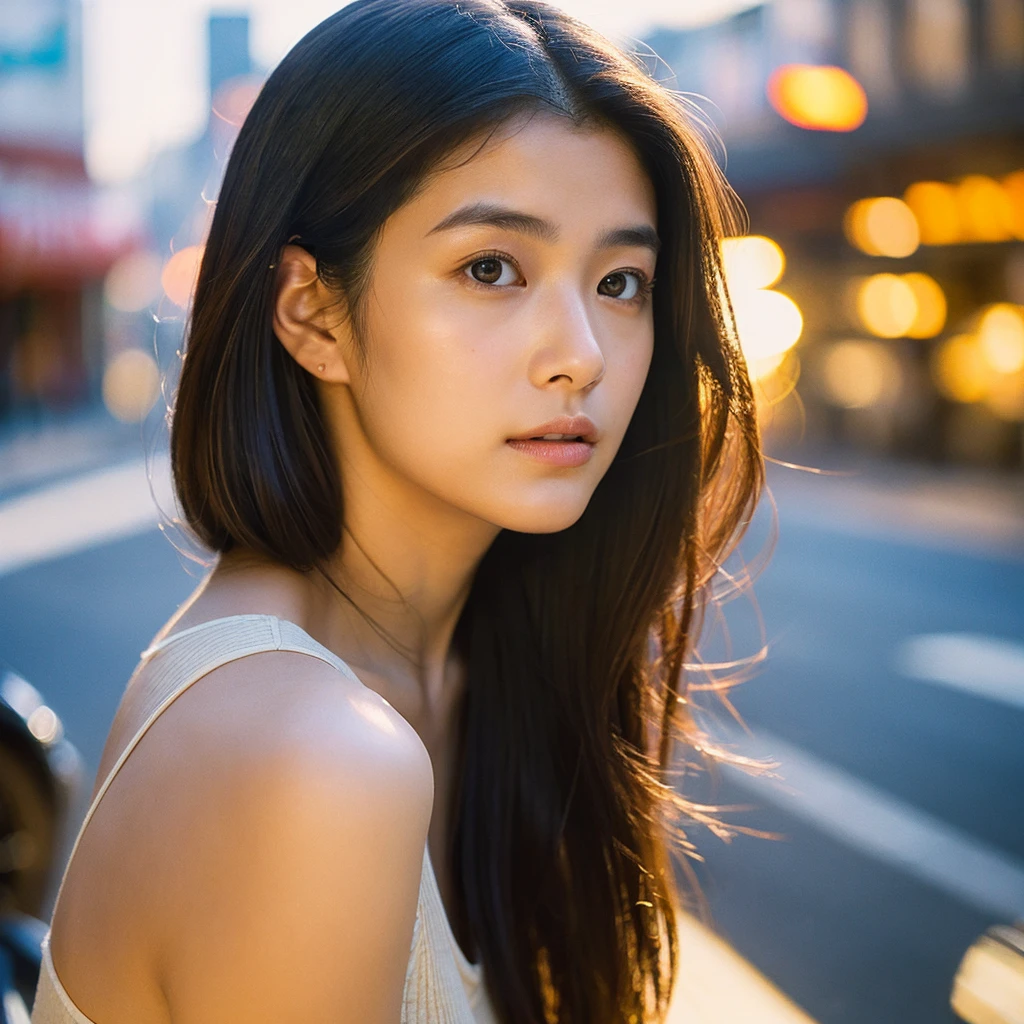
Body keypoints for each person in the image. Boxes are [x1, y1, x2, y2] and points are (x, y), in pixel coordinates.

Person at [31, 0, 764, 1020]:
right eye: (490, 268)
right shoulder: (306, 757)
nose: (582, 352)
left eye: (619, 280)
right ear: (310, 312)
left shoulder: (477, 673)